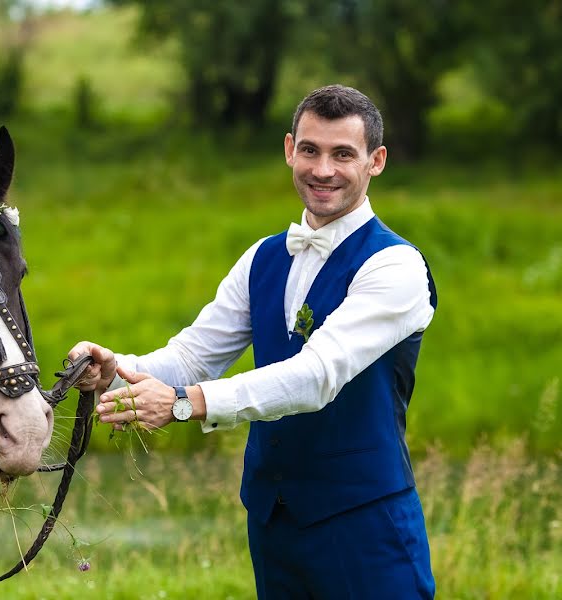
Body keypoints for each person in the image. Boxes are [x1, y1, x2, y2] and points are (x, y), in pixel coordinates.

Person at [70, 84, 437, 599]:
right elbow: (194, 356)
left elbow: (316, 376)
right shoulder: (263, 257)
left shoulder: (396, 267)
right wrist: (116, 369)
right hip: (273, 523)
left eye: (342, 155)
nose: (323, 170)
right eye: (310, 150)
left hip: (365, 526)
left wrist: (183, 405)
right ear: (290, 149)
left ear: (375, 161)